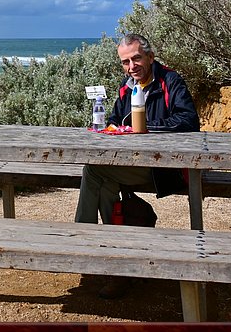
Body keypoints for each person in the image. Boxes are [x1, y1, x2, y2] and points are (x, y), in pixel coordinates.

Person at [75, 33, 200, 299]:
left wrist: (144, 130)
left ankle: (80, 241)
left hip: (166, 169)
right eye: (125, 62)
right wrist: (112, 128)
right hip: (131, 165)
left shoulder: (170, 81)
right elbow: (114, 121)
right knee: (102, 179)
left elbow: (189, 122)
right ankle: (119, 264)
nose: (131, 66)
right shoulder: (127, 86)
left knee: (94, 171)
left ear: (150, 57)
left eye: (136, 59)